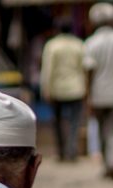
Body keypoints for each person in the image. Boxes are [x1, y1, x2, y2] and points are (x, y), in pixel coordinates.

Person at [83, 2, 113, 180]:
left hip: (99, 94)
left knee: (103, 130)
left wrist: (87, 96)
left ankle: (108, 165)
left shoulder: (91, 43)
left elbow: (89, 71)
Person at [39, 19, 87, 162]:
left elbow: (47, 69)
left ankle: (61, 152)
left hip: (57, 88)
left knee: (57, 122)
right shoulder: (79, 44)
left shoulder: (52, 45)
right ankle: (71, 151)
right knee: (74, 122)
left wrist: (45, 88)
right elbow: (83, 68)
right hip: (76, 88)